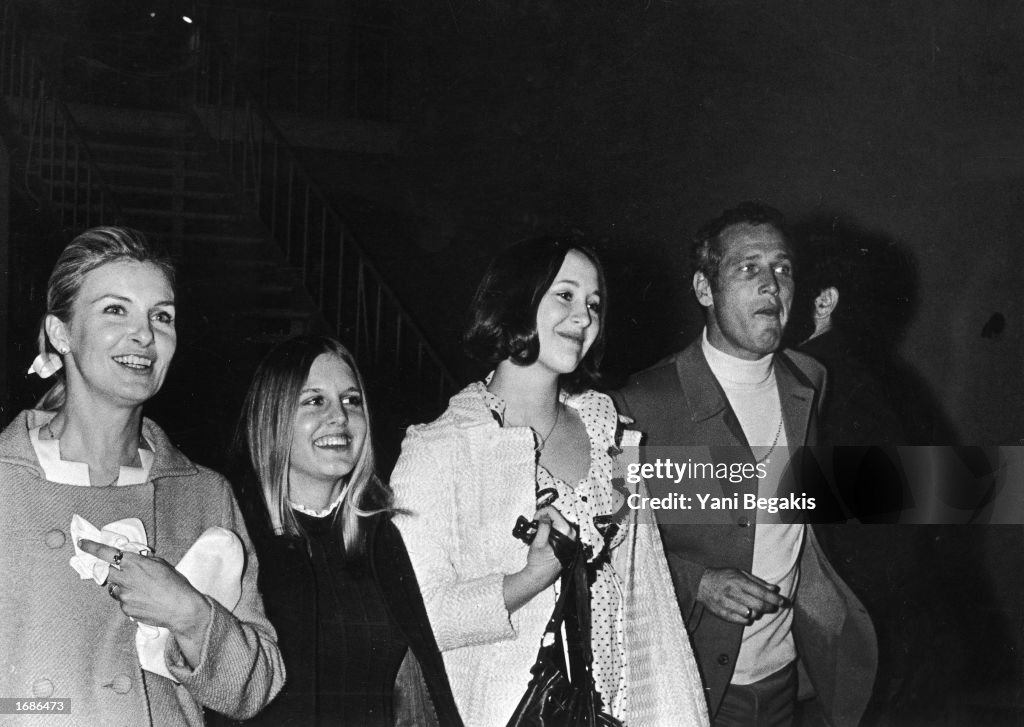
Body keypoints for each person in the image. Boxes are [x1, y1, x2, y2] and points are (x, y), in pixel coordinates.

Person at [391, 237, 709, 726]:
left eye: (594, 304)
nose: (583, 317)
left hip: (622, 710)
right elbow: (420, 617)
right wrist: (528, 580)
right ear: (516, 298)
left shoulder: (615, 435)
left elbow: (650, 595)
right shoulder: (441, 447)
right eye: (565, 295)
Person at [0, 227, 284, 726]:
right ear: (60, 333)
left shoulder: (203, 495)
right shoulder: (7, 484)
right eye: (115, 310)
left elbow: (254, 688)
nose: (145, 334)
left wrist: (190, 615)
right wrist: (48, 711)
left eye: (162, 316)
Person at [613, 203, 877, 727]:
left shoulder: (808, 381)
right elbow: (610, 540)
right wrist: (699, 582)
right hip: (692, 678)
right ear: (705, 290)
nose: (771, 285)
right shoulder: (641, 403)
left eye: (782, 269)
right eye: (747, 268)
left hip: (787, 677)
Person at [225, 334, 463, 726]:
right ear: (272, 415)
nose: (339, 416)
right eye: (314, 401)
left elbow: (425, 687)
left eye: (351, 401)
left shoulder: (380, 536)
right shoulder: (237, 530)